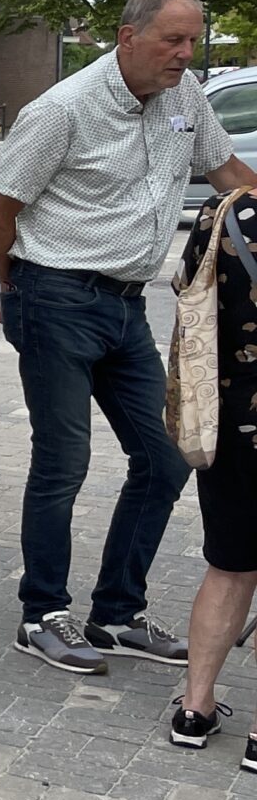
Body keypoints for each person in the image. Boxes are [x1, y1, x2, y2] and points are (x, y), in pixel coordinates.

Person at [0, 0, 257, 674]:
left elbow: (227, 173)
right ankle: (41, 613)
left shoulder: (184, 100)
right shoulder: (62, 111)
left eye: (193, 41)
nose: (186, 55)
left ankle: (116, 614)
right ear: (128, 37)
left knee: (165, 459)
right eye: (173, 40)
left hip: (127, 304)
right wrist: (18, 291)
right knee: (63, 462)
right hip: (55, 298)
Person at [169, 190, 257, 759]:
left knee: (228, 566)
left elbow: (185, 286)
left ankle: (195, 710)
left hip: (228, 424)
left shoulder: (223, 212)